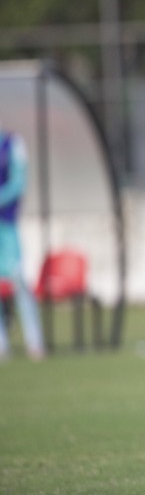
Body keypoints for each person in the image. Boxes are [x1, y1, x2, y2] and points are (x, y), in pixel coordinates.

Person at [0, 123, 45, 361]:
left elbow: (19, 183)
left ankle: (34, 342)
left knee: (19, 282)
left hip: (7, 226)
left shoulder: (13, 144)